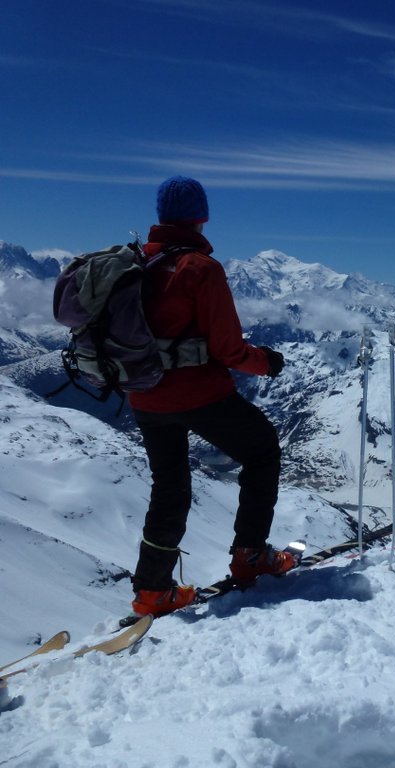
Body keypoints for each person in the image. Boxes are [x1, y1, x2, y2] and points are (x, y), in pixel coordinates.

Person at [128, 176, 295, 617]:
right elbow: (227, 348)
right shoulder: (201, 269)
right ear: (201, 218)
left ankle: (152, 591)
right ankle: (250, 556)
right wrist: (267, 362)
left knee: (169, 486)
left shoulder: (136, 264)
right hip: (197, 393)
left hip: (143, 395)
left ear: (161, 217)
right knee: (261, 451)